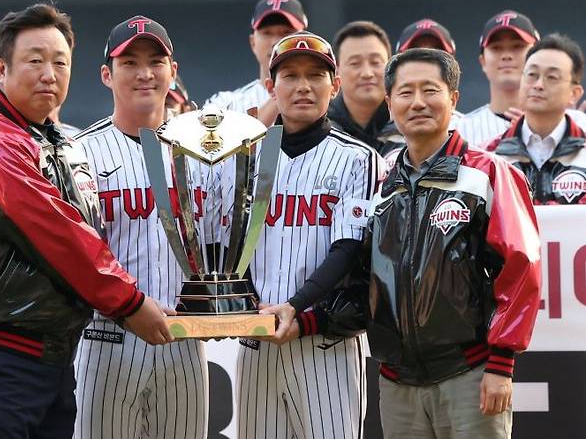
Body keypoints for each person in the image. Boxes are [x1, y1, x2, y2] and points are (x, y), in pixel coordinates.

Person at [0, 3, 173, 439]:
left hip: (48, 355)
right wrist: (131, 303)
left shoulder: (57, 140)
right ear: (2, 69)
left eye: (60, 62)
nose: (49, 73)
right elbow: (62, 237)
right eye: (35, 60)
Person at [361, 48, 541, 438]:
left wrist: (501, 365)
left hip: (471, 374)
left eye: (431, 89)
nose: (419, 102)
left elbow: (521, 267)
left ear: (453, 99)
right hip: (396, 383)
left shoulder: (490, 173)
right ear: (389, 104)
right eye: (405, 92)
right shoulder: (378, 183)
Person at [236, 31, 385, 439]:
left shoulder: (358, 159)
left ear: (334, 86)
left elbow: (349, 249)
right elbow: (226, 246)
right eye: (291, 75)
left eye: (316, 75)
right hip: (258, 339)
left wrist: (295, 307)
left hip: (325, 342)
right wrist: (247, 304)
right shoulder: (244, 158)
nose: (303, 85)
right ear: (271, 87)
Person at [74, 16, 208, 439]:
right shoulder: (80, 154)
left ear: (174, 70)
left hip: (185, 339)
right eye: (129, 62)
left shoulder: (206, 154)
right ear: (105, 75)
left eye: (156, 61)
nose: (145, 73)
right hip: (106, 339)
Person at [486, 34, 586, 204]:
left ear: (574, 93)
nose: (538, 84)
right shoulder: (490, 155)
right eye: (532, 74)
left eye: (552, 77)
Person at [205, 0, 308, 125]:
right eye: (267, 33)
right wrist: (280, 95)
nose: (275, 42)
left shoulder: (322, 97)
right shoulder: (225, 104)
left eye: (286, 33)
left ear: (306, 39)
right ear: (253, 43)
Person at [458, 10, 541, 145]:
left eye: (517, 46)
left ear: (537, 57)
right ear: (483, 61)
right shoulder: (460, 131)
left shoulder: (564, 125)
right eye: (496, 48)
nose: (506, 55)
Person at [327, 21, 393, 150]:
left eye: (375, 62)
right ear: (337, 70)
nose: (367, 73)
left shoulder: (407, 124)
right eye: (355, 63)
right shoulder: (322, 130)